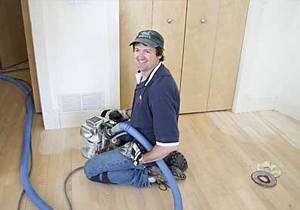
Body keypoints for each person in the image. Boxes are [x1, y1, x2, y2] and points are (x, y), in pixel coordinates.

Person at [84, 30, 186, 188]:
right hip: (137, 133)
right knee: (106, 138)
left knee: (91, 169)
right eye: (137, 50)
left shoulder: (160, 90)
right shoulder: (146, 74)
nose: (140, 55)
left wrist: (141, 158)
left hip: (145, 148)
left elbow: (169, 145)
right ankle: (163, 162)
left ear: (159, 54)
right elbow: (147, 108)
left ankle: (151, 174)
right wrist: (125, 113)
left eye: (147, 51)